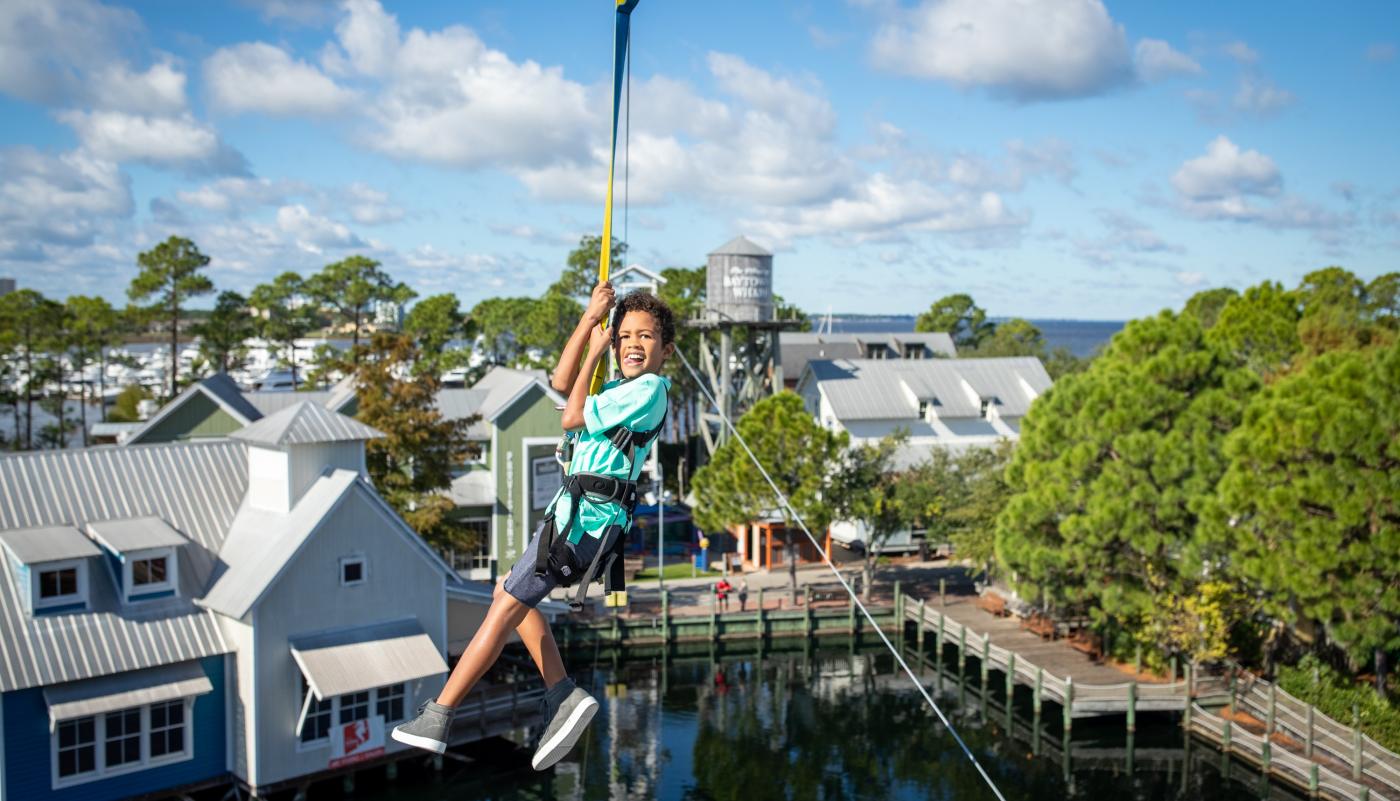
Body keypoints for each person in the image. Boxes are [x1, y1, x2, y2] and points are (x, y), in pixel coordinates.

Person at [392, 282, 675, 771]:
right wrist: (590, 322)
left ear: (665, 350)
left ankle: (440, 714)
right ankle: (562, 693)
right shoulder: (620, 389)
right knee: (516, 604)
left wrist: (595, 354)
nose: (632, 343)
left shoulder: (648, 390)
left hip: (583, 524)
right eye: (625, 334)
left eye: (646, 337)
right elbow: (564, 381)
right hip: (570, 520)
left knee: (502, 608)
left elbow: (570, 417)